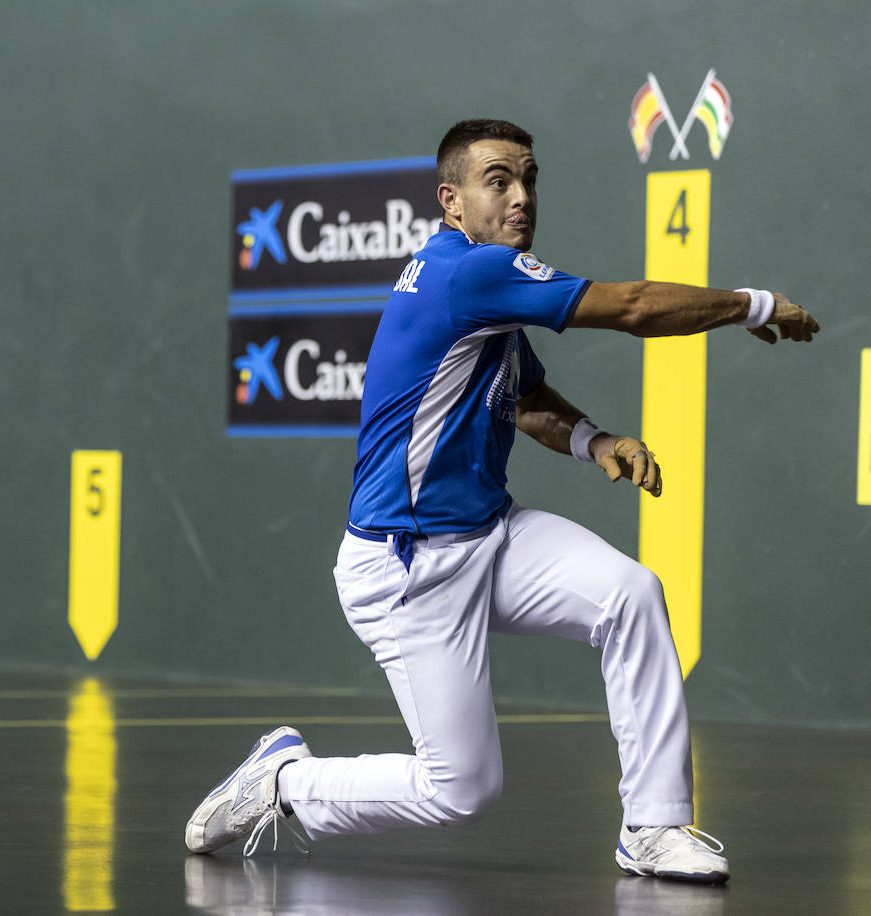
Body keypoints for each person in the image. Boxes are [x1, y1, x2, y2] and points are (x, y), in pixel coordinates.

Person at [185, 119, 819, 883]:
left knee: (632, 595)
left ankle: (653, 827)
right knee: (461, 789)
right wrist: (755, 304)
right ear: (451, 202)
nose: (521, 197)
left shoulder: (483, 285)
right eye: (499, 181)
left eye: (529, 179)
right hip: (407, 567)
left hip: (490, 533)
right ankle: (286, 783)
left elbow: (519, 392)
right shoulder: (467, 276)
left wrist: (593, 439)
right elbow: (636, 306)